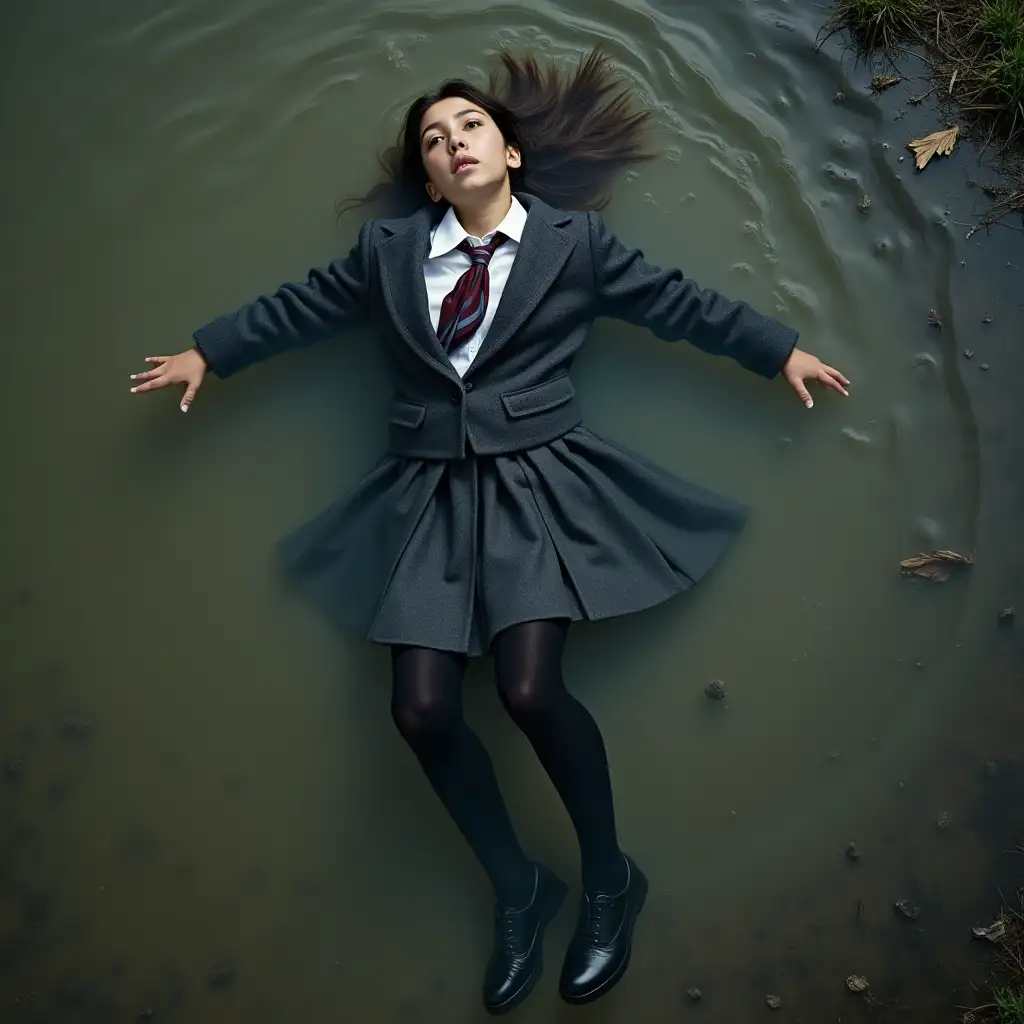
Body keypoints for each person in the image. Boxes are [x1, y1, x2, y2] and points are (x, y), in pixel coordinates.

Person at [129, 49, 849, 1014]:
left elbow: (679, 304)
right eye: (434, 139)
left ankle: (606, 880)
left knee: (526, 687)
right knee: (419, 710)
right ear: (425, 175)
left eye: (468, 127)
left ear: (509, 152)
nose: (452, 143)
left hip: (539, 480)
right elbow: (299, 307)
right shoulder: (388, 257)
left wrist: (777, 351)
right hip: (426, 489)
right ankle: (520, 885)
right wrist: (208, 352)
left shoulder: (575, 246)